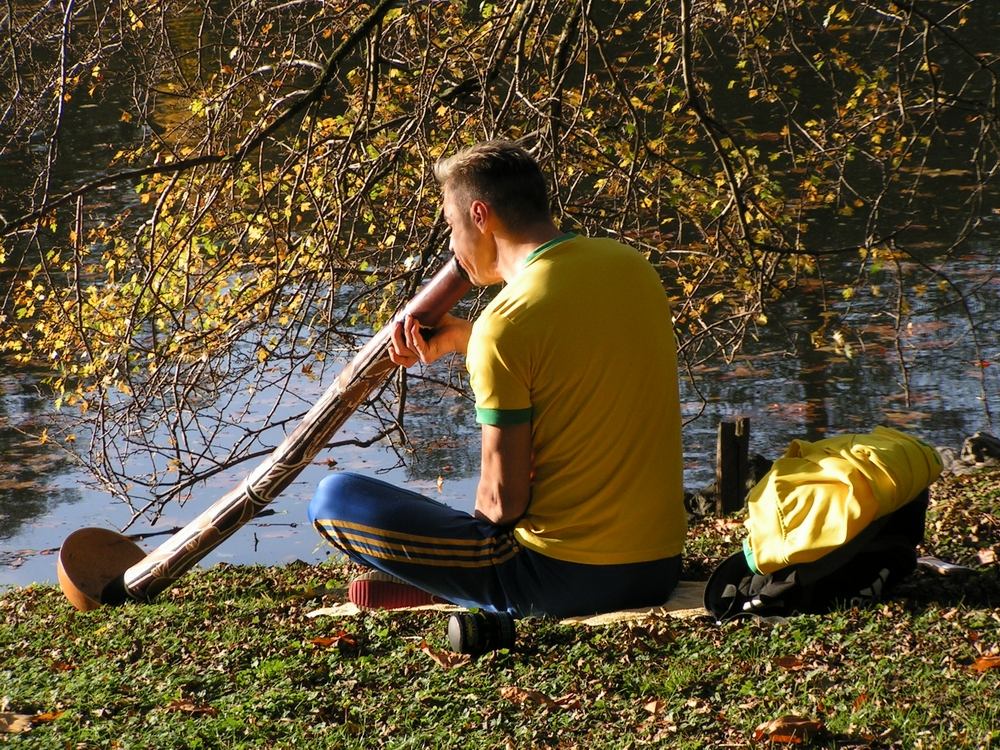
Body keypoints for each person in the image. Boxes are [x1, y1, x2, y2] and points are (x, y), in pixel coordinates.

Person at [308, 140, 686, 618]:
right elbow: (567, 359)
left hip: (563, 580)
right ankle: (454, 579)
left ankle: (461, 586)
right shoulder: (631, 268)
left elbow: (502, 502)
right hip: (658, 567)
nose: (451, 244)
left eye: (450, 224)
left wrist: (467, 553)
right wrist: (467, 339)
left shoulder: (505, 323)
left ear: (480, 215)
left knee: (333, 498)